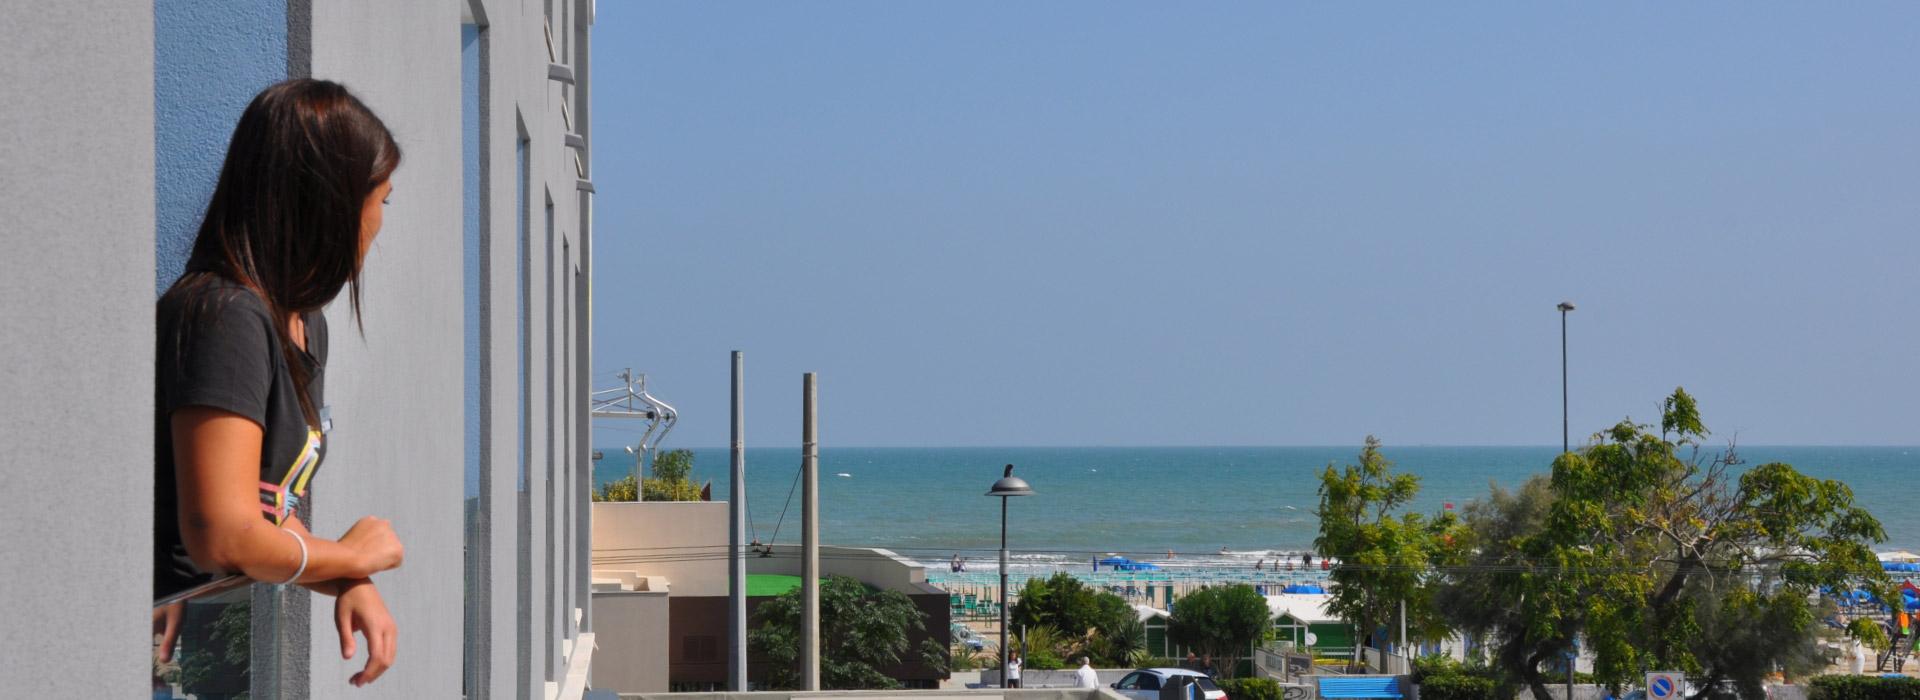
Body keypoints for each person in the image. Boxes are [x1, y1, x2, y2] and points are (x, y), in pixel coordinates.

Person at [153, 78, 405, 688]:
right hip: (171, 665)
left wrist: (349, 580)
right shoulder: (224, 317)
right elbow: (224, 534)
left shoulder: (298, 324)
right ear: (331, 202)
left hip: (226, 661)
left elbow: (267, 514)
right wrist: (352, 556)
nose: (379, 221)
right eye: (382, 201)